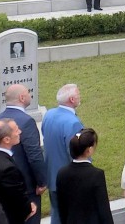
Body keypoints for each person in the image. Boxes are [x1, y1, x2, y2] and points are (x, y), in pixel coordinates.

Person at [0, 84, 47, 224]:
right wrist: (41, 182)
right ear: (22, 97)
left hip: (4, 186)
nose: (30, 95)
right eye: (28, 92)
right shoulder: (26, 121)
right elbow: (34, 155)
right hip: (26, 187)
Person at [42, 83, 85, 224]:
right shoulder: (73, 123)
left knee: (57, 214)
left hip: (51, 175)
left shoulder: (48, 115)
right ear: (72, 99)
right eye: (78, 94)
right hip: (68, 180)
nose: (80, 97)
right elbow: (77, 153)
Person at [0, 118, 37, 224]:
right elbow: (17, 196)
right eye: (16, 130)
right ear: (6, 139)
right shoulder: (8, 169)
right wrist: (28, 209)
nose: (20, 132)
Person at [55, 128, 115, 224]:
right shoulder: (96, 174)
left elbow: (61, 207)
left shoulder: (62, 173)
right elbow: (104, 209)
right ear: (89, 150)